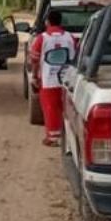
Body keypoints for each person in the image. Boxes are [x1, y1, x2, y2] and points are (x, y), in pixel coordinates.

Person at [28, 10, 76, 146]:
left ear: (47, 21)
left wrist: (35, 77)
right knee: (67, 108)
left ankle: (53, 137)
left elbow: (35, 60)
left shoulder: (42, 38)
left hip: (49, 79)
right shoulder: (70, 37)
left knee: (50, 107)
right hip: (68, 79)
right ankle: (68, 138)